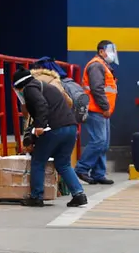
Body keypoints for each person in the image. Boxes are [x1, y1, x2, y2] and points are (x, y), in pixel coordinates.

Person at [13, 66, 87, 208]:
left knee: (38, 160)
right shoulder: (46, 86)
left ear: (19, 86)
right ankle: (79, 194)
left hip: (55, 129)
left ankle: (36, 196)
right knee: (63, 163)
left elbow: (41, 105)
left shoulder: (29, 89)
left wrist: (39, 126)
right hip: (71, 127)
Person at [75, 40, 118, 186]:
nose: (112, 54)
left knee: (103, 144)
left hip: (102, 110)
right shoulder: (96, 66)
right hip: (96, 110)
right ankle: (81, 168)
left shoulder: (103, 66)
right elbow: (97, 89)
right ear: (101, 51)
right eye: (109, 51)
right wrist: (105, 107)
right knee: (98, 141)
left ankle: (98, 173)